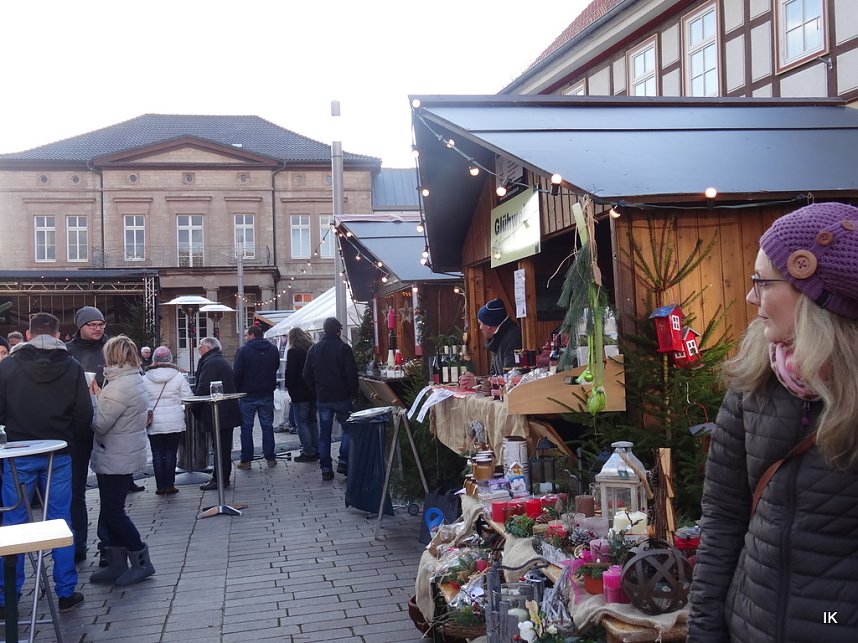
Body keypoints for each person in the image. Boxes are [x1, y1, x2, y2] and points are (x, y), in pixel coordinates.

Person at [688, 202, 858, 640]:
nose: (750, 297)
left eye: (762, 282)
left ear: (816, 297)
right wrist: (705, 629)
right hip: (748, 627)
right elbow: (723, 518)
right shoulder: (754, 379)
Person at [0, 312, 91, 613]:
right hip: (59, 452)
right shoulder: (73, 367)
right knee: (59, 521)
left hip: (19, 451)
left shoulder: (8, 367)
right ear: (57, 335)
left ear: (28, 334)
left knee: (13, 525)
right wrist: (71, 441)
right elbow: (83, 414)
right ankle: (65, 591)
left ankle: (7, 597)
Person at [89, 335, 155, 587]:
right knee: (108, 509)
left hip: (116, 453)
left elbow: (100, 423)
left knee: (113, 511)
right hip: (122, 450)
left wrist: (92, 401)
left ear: (112, 356)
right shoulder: (131, 378)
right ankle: (117, 564)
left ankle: (141, 559)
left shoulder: (118, 385)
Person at [65, 305, 110, 563]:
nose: (97, 328)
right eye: (92, 324)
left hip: (106, 421)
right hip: (77, 426)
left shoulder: (111, 349)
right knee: (76, 489)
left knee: (108, 487)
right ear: (80, 326)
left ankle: (107, 545)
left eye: (101, 324)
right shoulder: (68, 352)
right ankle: (78, 543)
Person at [303, 317, 358, 481]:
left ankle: (326, 468)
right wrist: (352, 391)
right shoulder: (343, 348)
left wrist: (315, 390)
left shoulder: (314, 349)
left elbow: (306, 374)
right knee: (349, 429)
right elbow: (351, 374)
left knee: (324, 433)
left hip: (323, 396)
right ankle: (343, 460)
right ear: (338, 331)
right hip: (341, 396)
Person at [194, 337, 241, 491]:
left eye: (200, 347)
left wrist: (195, 407)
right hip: (224, 411)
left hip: (219, 412)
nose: (199, 349)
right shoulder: (217, 360)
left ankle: (220, 479)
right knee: (222, 446)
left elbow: (203, 388)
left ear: (207, 348)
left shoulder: (212, 362)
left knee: (221, 447)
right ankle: (221, 477)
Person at [144, 346, 191, 495]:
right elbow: (188, 397)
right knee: (171, 452)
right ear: (169, 359)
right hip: (174, 421)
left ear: (154, 360)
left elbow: (141, 400)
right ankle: (170, 485)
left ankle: (160, 486)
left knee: (157, 453)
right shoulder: (178, 376)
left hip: (154, 421)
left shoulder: (145, 378)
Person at [233, 325, 280, 468]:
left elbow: (237, 373)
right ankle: (270, 457)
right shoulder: (273, 349)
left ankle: (246, 460)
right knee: (267, 426)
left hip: (248, 393)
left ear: (253, 335)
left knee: (246, 427)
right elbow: (276, 366)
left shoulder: (243, 351)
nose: (246, 337)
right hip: (266, 392)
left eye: (247, 335)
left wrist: (237, 389)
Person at [286, 327, 319, 463]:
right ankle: (317, 449)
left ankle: (308, 451)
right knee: (312, 421)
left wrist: (289, 386)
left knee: (302, 423)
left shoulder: (293, 352)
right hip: (313, 391)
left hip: (299, 392)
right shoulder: (313, 349)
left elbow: (291, 373)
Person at [476, 298, 522, 377]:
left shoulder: (513, 338)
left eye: (481, 323)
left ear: (489, 325)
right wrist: (477, 381)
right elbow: (493, 375)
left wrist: (476, 381)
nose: (480, 327)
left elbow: (510, 376)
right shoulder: (496, 339)